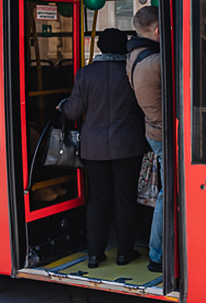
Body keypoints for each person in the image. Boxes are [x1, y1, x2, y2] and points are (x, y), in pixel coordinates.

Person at [60, 28, 148, 268]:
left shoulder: (86, 74)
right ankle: (124, 253)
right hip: (128, 145)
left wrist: (61, 106)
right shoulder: (132, 73)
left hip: (94, 148)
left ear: (99, 47)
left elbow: (73, 111)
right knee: (125, 198)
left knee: (98, 199)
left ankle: (94, 254)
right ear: (124, 48)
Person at [127, 6, 163, 274]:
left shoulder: (134, 57)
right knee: (168, 194)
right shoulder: (156, 62)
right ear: (159, 31)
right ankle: (158, 253)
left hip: (152, 131)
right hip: (165, 134)